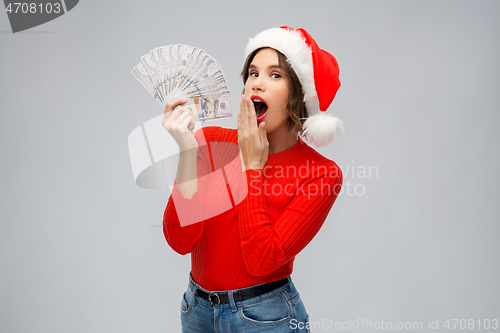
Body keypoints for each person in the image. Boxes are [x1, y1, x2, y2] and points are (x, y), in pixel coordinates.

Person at [162, 26, 344, 333]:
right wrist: (187, 152)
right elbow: (179, 241)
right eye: (253, 73)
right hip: (198, 312)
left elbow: (262, 260)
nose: (257, 83)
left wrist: (252, 168)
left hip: (265, 319)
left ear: (297, 94)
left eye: (275, 75)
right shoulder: (210, 142)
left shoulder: (321, 174)